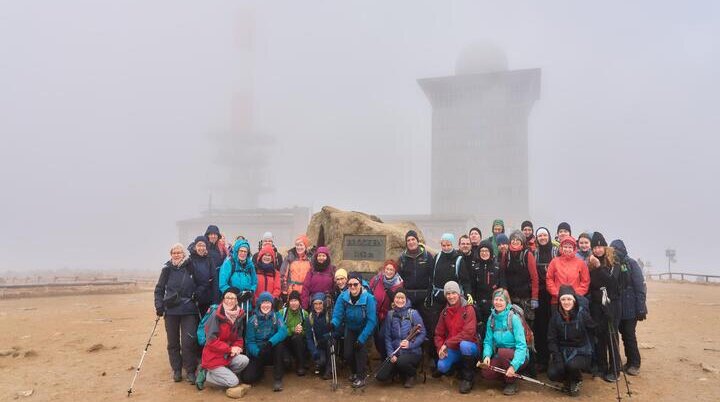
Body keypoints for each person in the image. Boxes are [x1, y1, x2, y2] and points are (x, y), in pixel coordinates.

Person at [154, 243, 201, 383]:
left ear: (183, 254)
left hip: (188, 310)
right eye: (174, 252)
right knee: (173, 342)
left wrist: (197, 295)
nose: (176, 254)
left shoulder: (190, 267)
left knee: (188, 342)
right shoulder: (167, 270)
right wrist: (159, 306)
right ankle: (177, 369)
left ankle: (191, 370)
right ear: (171, 254)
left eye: (179, 252)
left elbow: (200, 284)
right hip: (171, 311)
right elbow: (159, 289)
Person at [195, 287, 251, 398]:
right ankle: (205, 373)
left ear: (237, 300)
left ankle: (224, 374)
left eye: (233, 298)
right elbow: (211, 341)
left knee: (244, 360)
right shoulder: (216, 315)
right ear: (223, 299)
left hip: (226, 356)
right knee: (233, 382)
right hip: (213, 357)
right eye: (227, 297)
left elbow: (239, 338)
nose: (230, 300)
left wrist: (237, 347)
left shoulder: (239, 315)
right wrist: (230, 349)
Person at [547, 285, 596, 397]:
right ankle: (568, 380)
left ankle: (576, 379)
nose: (566, 302)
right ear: (559, 301)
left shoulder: (582, 314)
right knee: (552, 374)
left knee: (572, 365)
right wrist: (557, 357)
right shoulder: (555, 317)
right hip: (563, 350)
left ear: (574, 300)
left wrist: (606, 317)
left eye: (569, 299)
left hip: (581, 351)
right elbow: (551, 340)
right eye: (563, 299)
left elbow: (595, 329)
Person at [331, 272, 377, 388]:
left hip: (364, 328)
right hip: (350, 328)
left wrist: (361, 339)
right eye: (350, 284)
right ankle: (355, 372)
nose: (352, 287)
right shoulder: (343, 297)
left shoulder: (369, 298)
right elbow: (338, 315)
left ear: (360, 284)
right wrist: (333, 324)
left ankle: (361, 377)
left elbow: (372, 321)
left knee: (360, 352)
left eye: (355, 284)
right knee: (348, 354)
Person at [481, 288, 529, 396]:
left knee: (502, 352)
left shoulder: (514, 318)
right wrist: (487, 356)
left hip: (519, 356)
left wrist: (514, 366)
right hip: (501, 355)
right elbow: (488, 341)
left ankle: (511, 382)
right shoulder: (491, 319)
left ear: (507, 302)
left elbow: (521, 345)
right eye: (496, 299)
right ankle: (506, 376)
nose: (498, 302)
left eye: (501, 300)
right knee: (486, 373)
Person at [610, 239, 648, 376]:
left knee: (629, 335)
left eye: (617, 249)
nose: (615, 252)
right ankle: (627, 363)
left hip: (631, 307)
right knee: (620, 335)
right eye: (613, 249)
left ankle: (635, 363)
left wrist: (641, 308)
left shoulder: (631, 263)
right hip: (617, 307)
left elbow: (640, 287)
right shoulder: (612, 264)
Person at [434, 281, 478, 394]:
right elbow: (439, 333)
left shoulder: (468, 309)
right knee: (441, 366)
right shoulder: (444, 312)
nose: (451, 296)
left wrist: (447, 344)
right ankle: (457, 369)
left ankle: (468, 378)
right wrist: (440, 348)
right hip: (453, 347)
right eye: (448, 293)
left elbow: (468, 333)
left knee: (464, 345)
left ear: (459, 293)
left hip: (470, 345)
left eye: (454, 293)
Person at [376, 288, 426, 388]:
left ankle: (411, 374)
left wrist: (410, 345)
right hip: (396, 352)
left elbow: (422, 334)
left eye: (402, 298)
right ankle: (399, 372)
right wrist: (391, 354)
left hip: (412, 352)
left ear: (406, 299)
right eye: (397, 298)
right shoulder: (390, 315)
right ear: (394, 299)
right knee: (381, 376)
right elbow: (388, 337)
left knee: (401, 362)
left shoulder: (413, 313)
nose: (400, 300)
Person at [589, 232, 622, 383]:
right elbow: (592, 286)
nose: (597, 250)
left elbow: (612, 283)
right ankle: (602, 367)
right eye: (595, 247)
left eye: (600, 246)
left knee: (611, 335)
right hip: (597, 305)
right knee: (600, 336)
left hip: (612, 304)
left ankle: (615, 369)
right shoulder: (590, 264)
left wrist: (598, 268)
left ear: (605, 246)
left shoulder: (614, 262)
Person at [242, 292, 288, 391]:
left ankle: (278, 379)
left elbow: (283, 331)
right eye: (263, 302)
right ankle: (260, 371)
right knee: (247, 378)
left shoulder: (277, 316)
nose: (266, 305)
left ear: (272, 304)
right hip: (259, 352)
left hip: (272, 349)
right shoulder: (252, 320)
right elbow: (250, 342)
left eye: (268, 302)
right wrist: (257, 352)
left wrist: (270, 342)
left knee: (279, 344)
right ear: (259, 304)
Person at [468, 241, 505, 343]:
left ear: (491, 252)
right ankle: (482, 355)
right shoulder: (475, 267)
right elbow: (472, 287)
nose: (484, 253)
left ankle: (493, 355)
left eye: (487, 251)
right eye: (482, 251)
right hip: (479, 304)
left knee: (494, 330)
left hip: (494, 304)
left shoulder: (497, 266)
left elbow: (502, 286)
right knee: (481, 331)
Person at [500, 231, 539, 324]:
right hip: (511, 297)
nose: (515, 241)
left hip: (525, 298)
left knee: (527, 326)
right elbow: (502, 274)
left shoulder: (527, 255)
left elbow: (534, 277)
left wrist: (535, 297)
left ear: (522, 241)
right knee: (511, 324)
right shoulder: (506, 254)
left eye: (518, 240)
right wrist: (504, 291)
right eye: (513, 239)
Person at [369, 260, 404, 360]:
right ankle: (382, 355)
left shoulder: (398, 284)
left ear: (395, 271)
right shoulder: (376, 279)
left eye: (391, 270)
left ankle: (385, 359)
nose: (389, 272)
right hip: (375, 313)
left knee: (382, 337)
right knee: (376, 337)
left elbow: (400, 300)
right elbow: (368, 290)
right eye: (387, 269)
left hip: (389, 315)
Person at [532, 227, 556, 372]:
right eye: (540, 235)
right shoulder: (535, 253)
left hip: (554, 295)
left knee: (553, 327)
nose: (542, 237)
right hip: (539, 295)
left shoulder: (555, 251)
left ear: (549, 236)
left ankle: (554, 359)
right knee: (540, 328)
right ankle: (542, 360)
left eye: (544, 235)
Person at [546, 236, 590, 306]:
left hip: (576, 301)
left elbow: (585, 282)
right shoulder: (554, 261)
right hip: (557, 301)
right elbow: (549, 279)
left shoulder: (581, 263)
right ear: (561, 248)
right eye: (565, 247)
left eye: (570, 247)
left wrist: (574, 295)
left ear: (574, 249)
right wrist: (557, 293)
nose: (567, 249)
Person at [219, 239, 257, 310]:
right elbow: (222, 284)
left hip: (246, 303)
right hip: (231, 303)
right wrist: (234, 294)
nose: (243, 253)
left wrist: (251, 291)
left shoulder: (250, 265)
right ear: (236, 251)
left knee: (246, 320)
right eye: (241, 251)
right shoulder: (229, 264)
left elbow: (254, 282)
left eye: (245, 251)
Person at [280, 291, 309, 376]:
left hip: (298, 343)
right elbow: (279, 331)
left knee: (297, 338)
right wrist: (293, 329)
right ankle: (288, 360)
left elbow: (308, 332)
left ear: (299, 302)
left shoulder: (304, 314)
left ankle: (300, 365)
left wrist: (301, 331)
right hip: (285, 342)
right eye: (292, 301)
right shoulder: (282, 313)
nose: (294, 303)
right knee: (286, 363)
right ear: (288, 302)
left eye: (296, 300)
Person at [306, 292, 334, 379]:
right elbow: (309, 337)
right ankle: (321, 365)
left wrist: (328, 336)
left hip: (328, 342)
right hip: (318, 345)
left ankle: (329, 369)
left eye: (320, 303)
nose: (318, 306)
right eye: (315, 304)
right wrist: (313, 350)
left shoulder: (329, 315)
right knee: (321, 362)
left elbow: (337, 332)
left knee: (330, 342)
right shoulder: (310, 318)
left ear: (324, 303)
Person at [280, 234, 313, 303]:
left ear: (305, 246)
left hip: (305, 291)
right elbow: (283, 275)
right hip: (292, 291)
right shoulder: (289, 258)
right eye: (297, 245)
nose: (299, 247)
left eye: (301, 245)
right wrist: (284, 291)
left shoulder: (310, 260)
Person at [188, 235, 215, 316]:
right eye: (199, 245)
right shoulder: (190, 260)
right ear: (195, 246)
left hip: (208, 298)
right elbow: (189, 279)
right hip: (194, 298)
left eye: (203, 245)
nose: (201, 248)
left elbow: (214, 278)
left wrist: (215, 300)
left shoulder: (209, 260)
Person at [205, 225, 228, 303]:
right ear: (207, 235)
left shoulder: (222, 249)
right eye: (211, 234)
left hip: (218, 280)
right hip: (206, 281)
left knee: (216, 303)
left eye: (215, 234)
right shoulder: (203, 248)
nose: (213, 236)